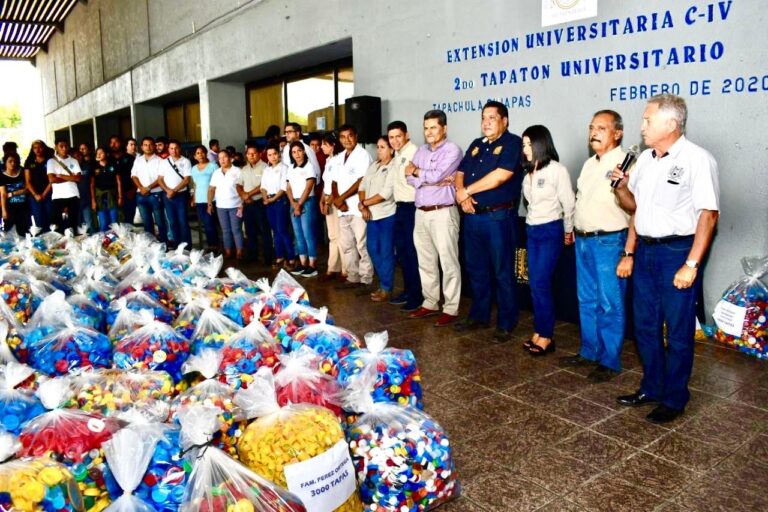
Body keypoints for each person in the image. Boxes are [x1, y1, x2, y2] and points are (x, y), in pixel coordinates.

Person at [612, 94, 719, 424]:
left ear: (671, 124)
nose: (641, 126)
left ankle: (675, 397)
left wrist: (691, 264)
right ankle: (652, 387)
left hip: (677, 252)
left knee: (677, 331)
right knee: (644, 326)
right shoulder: (644, 160)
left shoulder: (697, 159)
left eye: (647, 120)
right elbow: (635, 209)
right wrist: (620, 189)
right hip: (644, 251)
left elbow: (709, 215)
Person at [559, 110, 636, 382]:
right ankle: (589, 351)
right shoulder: (590, 163)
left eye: (602, 128)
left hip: (609, 241)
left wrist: (628, 251)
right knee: (587, 300)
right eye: (592, 127)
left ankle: (609, 360)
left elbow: (635, 209)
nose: (594, 132)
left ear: (618, 133)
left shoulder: (627, 164)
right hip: (583, 240)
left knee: (609, 303)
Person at [454, 101, 524, 342]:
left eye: (492, 118)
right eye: (484, 117)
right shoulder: (476, 145)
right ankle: (479, 315)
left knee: (503, 271)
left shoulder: (513, 143)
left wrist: (467, 192)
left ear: (505, 121)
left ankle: (506, 322)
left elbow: (500, 176)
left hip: (498, 218)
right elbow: (460, 173)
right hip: (473, 216)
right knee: (476, 269)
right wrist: (461, 195)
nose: (486, 122)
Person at [521, 125, 576, 355]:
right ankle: (539, 330)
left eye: (528, 144)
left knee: (541, 283)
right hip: (532, 230)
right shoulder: (528, 173)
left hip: (551, 230)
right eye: (523, 145)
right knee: (534, 284)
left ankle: (546, 336)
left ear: (540, 144)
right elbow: (529, 205)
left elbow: (569, 204)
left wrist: (567, 231)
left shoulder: (557, 170)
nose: (524, 149)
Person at [406, 110, 463, 327]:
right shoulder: (420, 151)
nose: (429, 132)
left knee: (448, 262)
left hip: (443, 211)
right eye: (426, 127)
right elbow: (408, 177)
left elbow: (436, 175)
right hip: (420, 212)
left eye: (433, 127)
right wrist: (425, 176)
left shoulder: (453, 150)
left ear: (444, 128)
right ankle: (430, 302)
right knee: (426, 261)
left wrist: (420, 173)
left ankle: (451, 308)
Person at [331, 125, 373, 290]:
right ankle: (353, 276)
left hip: (357, 207)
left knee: (362, 244)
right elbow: (334, 181)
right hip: (343, 209)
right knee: (347, 244)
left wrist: (341, 198)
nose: (346, 140)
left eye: (350, 136)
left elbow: (361, 181)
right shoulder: (339, 157)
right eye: (342, 137)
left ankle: (366, 279)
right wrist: (337, 200)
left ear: (356, 136)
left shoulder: (363, 155)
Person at [386, 121, 422, 311]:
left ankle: (417, 295)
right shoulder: (397, 155)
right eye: (391, 137)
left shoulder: (414, 152)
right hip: (399, 208)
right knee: (403, 253)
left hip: (412, 208)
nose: (395, 140)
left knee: (412, 253)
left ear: (406, 135)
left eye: (398, 136)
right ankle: (408, 290)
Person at [359, 136, 396, 302]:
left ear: (392, 149)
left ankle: (386, 287)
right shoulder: (374, 165)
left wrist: (363, 204)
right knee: (372, 249)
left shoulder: (394, 166)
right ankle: (384, 282)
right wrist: (364, 205)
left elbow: (385, 194)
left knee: (386, 251)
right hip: (371, 215)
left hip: (387, 215)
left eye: (382, 147)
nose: (378, 150)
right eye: (378, 147)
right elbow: (362, 186)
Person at [261, 143, 296, 268]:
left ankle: (291, 258)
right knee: (275, 231)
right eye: (269, 155)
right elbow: (263, 186)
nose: (272, 157)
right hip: (269, 202)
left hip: (280, 201)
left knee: (283, 230)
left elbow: (283, 187)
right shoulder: (266, 169)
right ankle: (279, 256)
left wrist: (273, 199)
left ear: (279, 154)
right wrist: (265, 198)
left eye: (275, 154)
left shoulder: (284, 168)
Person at [285, 141, 318, 277]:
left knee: (308, 234)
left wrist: (299, 205)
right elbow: (288, 187)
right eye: (294, 152)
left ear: (304, 151)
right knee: (298, 235)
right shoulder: (291, 168)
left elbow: (309, 187)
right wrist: (293, 203)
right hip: (294, 203)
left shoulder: (309, 167)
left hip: (307, 202)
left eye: (299, 151)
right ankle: (303, 263)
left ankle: (312, 265)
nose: (297, 154)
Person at [237, 144, 273, 264]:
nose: (251, 156)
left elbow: (263, 184)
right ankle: (252, 255)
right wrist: (243, 195)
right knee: (250, 230)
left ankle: (268, 256)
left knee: (264, 230)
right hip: (248, 204)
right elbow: (238, 185)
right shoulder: (244, 169)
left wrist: (249, 194)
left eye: (254, 153)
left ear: (259, 154)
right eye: (249, 154)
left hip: (259, 202)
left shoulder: (265, 167)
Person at [319, 134, 346, 280]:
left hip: (336, 200)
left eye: (325, 144)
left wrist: (328, 201)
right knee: (333, 236)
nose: (322, 147)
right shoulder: (328, 160)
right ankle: (333, 267)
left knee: (341, 236)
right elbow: (326, 183)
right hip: (328, 198)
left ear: (333, 145)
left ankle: (345, 269)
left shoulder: (339, 160)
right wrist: (322, 200)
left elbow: (336, 183)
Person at [208, 150, 244, 259]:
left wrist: (242, 204)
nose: (222, 160)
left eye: (225, 157)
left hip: (235, 205)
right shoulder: (216, 172)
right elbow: (211, 189)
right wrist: (209, 203)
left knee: (236, 229)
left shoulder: (237, 171)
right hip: (221, 206)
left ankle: (239, 252)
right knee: (225, 230)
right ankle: (228, 251)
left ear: (230, 158)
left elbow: (242, 189)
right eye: (220, 158)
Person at [131, 137, 167, 243]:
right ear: (142, 147)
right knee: (147, 223)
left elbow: (160, 178)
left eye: (150, 145)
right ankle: (151, 245)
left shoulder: (160, 161)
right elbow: (134, 176)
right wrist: (141, 188)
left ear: (154, 146)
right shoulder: (138, 160)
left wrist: (148, 188)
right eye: (145, 145)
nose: (148, 147)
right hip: (141, 195)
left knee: (160, 221)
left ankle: (163, 244)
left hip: (156, 194)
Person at [158, 139, 192, 248]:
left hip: (181, 195)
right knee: (172, 222)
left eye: (176, 148)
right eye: (171, 148)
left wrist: (175, 190)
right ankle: (178, 246)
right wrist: (168, 191)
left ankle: (187, 247)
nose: (174, 150)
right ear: (168, 149)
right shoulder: (164, 162)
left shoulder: (185, 161)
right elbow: (160, 179)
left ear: (180, 148)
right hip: (167, 196)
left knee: (183, 221)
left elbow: (187, 179)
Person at [46, 138, 82, 233]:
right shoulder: (51, 161)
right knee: (57, 224)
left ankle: (73, 245)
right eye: (61, 146)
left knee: (73, 224)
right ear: (56, 147)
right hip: (58, 196)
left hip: (73, 194)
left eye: (66, 146)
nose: (64, 148)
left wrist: (61, 176)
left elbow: (78, 178)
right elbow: (52, 179)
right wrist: (70, 177)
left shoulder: (74, 161)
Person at [190, 145, 219, 251]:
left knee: (210, 223)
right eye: (197, 153)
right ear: (194, 156)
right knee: (206, 224)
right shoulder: (193, 169)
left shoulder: (213, 166)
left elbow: (218, 183)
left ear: (206, 153)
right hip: (199, 200)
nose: (200, 154)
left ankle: (214, 246)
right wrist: (193, 198)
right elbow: (194, 185)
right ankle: (212, 245)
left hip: (211, 199)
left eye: (202, 152)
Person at [24, 140, 54, 231]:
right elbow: (28, 181)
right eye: (35, 148)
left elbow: (52, 180)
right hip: (34, 196)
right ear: (32, 149)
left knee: (51, 220)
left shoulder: (50, 161)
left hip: (49, 194)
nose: (38, 150)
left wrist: (44, 194)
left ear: (44, 148)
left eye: (40, 147)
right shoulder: (29, 162)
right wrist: (35, 195)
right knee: (39, 221)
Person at [90, 147, 122, 231]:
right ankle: (104, 242)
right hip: (100, 198)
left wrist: (120, 197)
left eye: (101, 152)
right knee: (103, 223)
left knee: (114, 222)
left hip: (112, 197)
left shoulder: (113, 165)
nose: (99, 154)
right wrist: (93, 201)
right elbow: (92, 184)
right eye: (97, 153)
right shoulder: (94, 167)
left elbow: (118, 182)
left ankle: (115, 243)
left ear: (107, 154)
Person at [109, 135, 137, 225]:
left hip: (128, 192)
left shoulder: (130, 158)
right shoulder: (107, 159)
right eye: (111, 143)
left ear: (121, 143)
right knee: (114, 221)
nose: (113, 145)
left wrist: (133, 190)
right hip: (112, 194)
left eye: (116, 142)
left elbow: (136, 175)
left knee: (128, 220)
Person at [0, 153, 31, 235]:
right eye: (10, 161)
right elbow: (3, 194)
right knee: (9, 231)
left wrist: (12, 193)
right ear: (5, 163)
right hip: (10, 207)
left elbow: (28, 189)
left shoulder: (22, 173)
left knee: (24, 230)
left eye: (14, 161)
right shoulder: (1, 176)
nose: (13, 163)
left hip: (23, 206)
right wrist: (4, 210)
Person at [77, 142, 95, 233]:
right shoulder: (71, 168)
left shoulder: (87, 166)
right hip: (75, 201)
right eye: (76, 156)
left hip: (86, 198)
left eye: (80, 156)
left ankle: (93, 239)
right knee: (77, 224)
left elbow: (91, 183)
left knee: (89, 222)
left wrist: (92, 199)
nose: (78, 157)